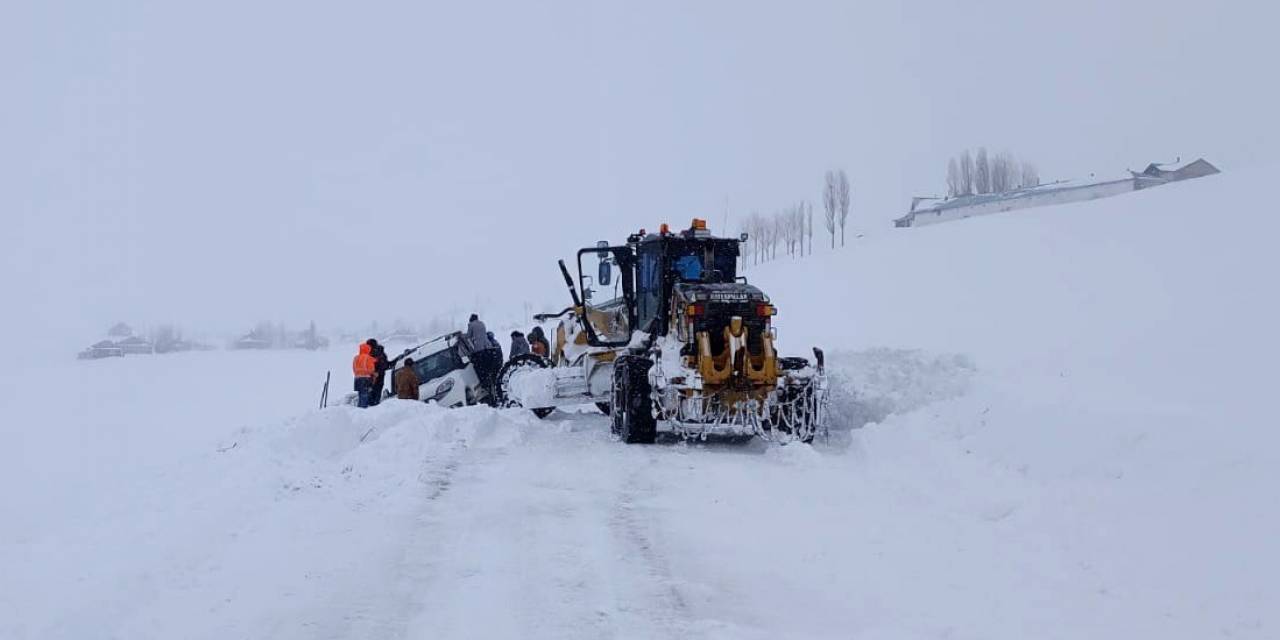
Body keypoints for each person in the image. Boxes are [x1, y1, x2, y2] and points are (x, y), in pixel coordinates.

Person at [352, 341, 377, 408]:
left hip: (357, 379)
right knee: (365, 395)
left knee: (360, 394)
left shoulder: (356, 358)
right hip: (366, 378)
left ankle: (359, 409)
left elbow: (354, 369)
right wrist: (374, 374)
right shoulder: (368, 358)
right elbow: (372, 369)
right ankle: (363, 410)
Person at [367, 339, 390, 406]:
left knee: (373, 393)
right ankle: (375, 404)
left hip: (374, 376)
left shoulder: (374, 354)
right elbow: (385, 364)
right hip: (379, 376)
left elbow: (382, 364)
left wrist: (376, 372)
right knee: (377, 392)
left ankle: (373, 405)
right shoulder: (381, 353)